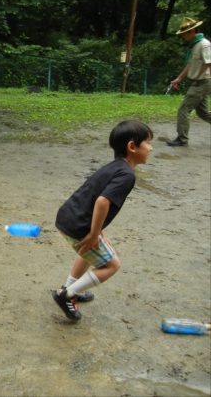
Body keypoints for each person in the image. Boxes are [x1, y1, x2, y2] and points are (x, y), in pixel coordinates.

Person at [52, 120, 153, 321]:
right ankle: (67, 296)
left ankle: (70, 289)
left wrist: (95, 231)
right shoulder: (126, 175)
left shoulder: (115, 166)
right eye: (148, 143)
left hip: (68, 216)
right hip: (80, 225)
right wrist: (92, 232)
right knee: (111, 266)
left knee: (87, 251)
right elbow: (102, 201)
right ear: (132, 147)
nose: (151, 148)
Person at [167, 17, 211, 147]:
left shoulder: (204, 45)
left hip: (203, 82)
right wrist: (179, 78)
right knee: (202, 113)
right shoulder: (195, 45)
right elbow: (191, 64)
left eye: (183, 34)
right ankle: (182, 138)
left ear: (190, 32)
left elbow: (210, 63)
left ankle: (182, 139)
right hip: (198, 82)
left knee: (183, 109)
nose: (182, 37)